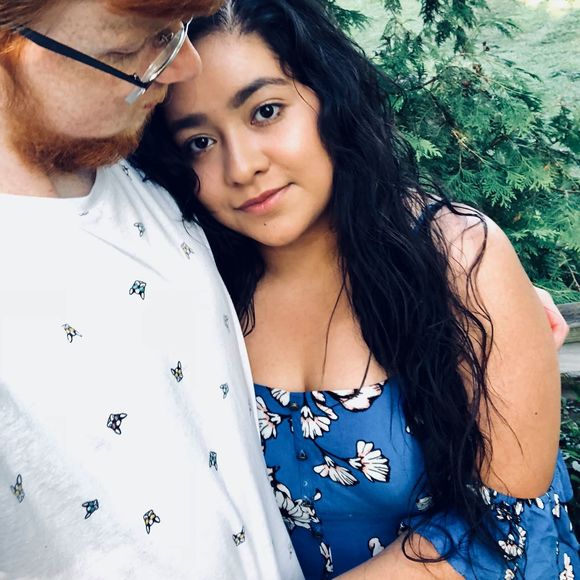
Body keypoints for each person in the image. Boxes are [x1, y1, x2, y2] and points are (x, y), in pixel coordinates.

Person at [133, 0, 579, 578]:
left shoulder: (455, 257)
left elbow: (508, 522)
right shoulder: (198, 286)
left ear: (328, 96)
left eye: (265, 111)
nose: (241, 167)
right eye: (199, 142)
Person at [0, 1, 304, 579]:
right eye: (129, 47)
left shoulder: (146, 160)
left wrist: (446, 252)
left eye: (175, 32)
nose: (184, 65)